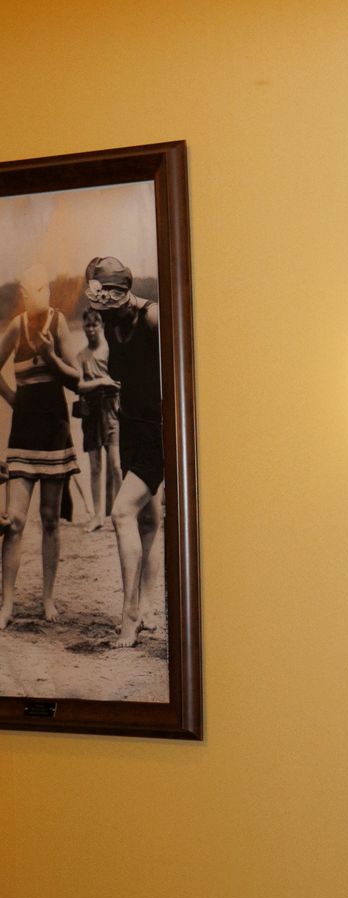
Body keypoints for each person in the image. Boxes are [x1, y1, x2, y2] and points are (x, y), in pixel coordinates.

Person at [84, 256, 165, 647]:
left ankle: (130, 613)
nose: (106, 306)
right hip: (131, 428)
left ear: (125, 289)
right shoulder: (113, 325)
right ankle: (148, 607)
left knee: (121, 512)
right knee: (148, 520)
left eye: (113, 296)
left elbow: (186, 366)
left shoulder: (152, 317)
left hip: (160, 431)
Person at [0, 265, 79, 629]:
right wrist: (14, 398)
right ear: (23, 294)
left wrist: (49, 358)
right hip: (23, 437)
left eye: (41, 288)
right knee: (14, 523)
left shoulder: (59, 322)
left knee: (50, 520)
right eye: (29, 290)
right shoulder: (16, 326)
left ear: (47, 291)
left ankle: (47, 600)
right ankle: (8, 603)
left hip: (54, 435)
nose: (36, 295)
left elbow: (76, 378)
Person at [73, 307, 121, 532]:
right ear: (83, 327)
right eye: (88, 325)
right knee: (95, 467)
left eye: (95, 325)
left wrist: (109, 384)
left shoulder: (110, 351)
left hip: (111, 410)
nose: (91, 329)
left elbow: (120, 381)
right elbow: (79, 385)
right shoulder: (81, 356)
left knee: (116, 464)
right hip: (90, 413)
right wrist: (102, 382)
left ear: (102, 326)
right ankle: (98, 516)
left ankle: (121, 514)